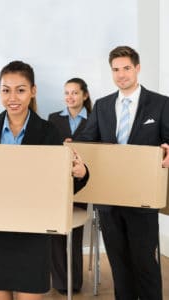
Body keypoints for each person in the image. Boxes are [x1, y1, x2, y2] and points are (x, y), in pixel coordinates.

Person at [0, 60, 89, 300]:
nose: (12, 97)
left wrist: (81, 174)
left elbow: (60, 185)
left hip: (32, 231)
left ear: (33, 91)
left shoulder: (48, 132)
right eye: (6, 90)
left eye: (20, 89)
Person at [78, 45, 169, 300]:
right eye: (115, 70)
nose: (121, 75)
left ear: (137, 68)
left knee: (145, 265)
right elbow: (88, 140)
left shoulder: (161, 104)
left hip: (143, 198)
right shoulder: (103, 106)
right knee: (119, 267)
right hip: (109, 201)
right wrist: (73, 144)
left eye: (126, 68)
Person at [48, 77, 92, 294]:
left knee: (74, 234)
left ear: (84, 95)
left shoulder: (94, 118)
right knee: (57, 235)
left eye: (75, 92)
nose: (70, 97)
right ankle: (60, 282)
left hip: (83, 182)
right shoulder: (53, 118)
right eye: (66, 93)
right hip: (58, 183)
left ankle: (74, 282)